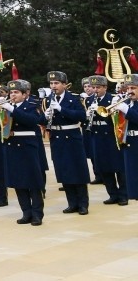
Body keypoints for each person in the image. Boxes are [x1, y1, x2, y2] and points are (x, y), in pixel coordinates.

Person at [0, 79, 46, 225]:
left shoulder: (32, 105)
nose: (13, 95)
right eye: (11, 92)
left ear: (25, 94)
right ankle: (26, 212)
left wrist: (12, 109)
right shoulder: (6, 107)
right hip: (12, 146)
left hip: (27, 146)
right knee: (18, 181)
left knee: (33, 181)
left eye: (16, 92)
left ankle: (37, 214)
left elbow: (33, 120)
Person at [44, 71, 90, 214]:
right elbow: (42, 122)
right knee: (64, 170)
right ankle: (72, 203)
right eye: (51, 83)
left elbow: (82, 116)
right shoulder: (47, 100)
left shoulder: (73, 99)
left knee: (77, 170)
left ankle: (83, 204)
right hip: (57, 137)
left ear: (64, 84)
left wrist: (61, 109)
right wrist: (44, 116)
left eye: (56, 83)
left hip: (72, 137)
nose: (53, 86)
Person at [89, 75, 128, 206]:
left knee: (118, 167)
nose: (95, 90)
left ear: (105, 87)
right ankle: (112, 194)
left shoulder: (113, 99)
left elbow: (116, 121)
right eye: (93, 87)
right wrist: (88, 115)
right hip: (97, 136)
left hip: (111, 136)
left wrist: (99, 112)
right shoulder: (89, 100)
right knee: (104, 167)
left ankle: (123, 195)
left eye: (98, 87)